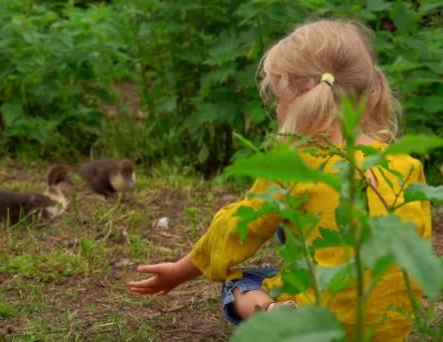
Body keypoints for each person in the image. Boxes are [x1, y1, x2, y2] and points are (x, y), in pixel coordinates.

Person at [127, 19, 431, 341]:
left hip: (320, 324)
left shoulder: (296, 167)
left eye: (279, 101)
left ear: (301, 103)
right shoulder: (403, 166)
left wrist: (179, 271)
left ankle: (279, 317)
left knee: (241, 282)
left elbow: (232, 233)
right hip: (386, 326)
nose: (277, 110)